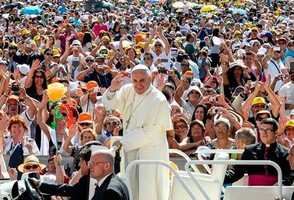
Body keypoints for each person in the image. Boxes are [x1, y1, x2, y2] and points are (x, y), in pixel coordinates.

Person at [102, 64, 173, 200]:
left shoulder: (158, 99)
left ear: (150, 79)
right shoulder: (127, 90)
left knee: (148, 189)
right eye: (135, 81)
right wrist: (112, 88)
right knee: (131, 187)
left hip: (150, 151)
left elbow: (151, 131)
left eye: (142, 81)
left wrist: (124, 141)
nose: (138, 85)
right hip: (131, 148)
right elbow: (110, 104)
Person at [224, 118, 294, 186]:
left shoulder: (285, 152)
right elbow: (237, 172)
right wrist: (221, 176)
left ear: (276, 133)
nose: (264, 133)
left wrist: (278, 186)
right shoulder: (249, 150)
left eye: (268, 130)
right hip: (253, 193)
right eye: (262, 130)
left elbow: (289, 175)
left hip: (276, 193)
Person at [29, 147, 93, 200]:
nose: (79, 164)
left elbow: (68, 189)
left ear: (89, 163)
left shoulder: (88, 180)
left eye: (81, 162)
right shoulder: (85, 179)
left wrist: (39, 185)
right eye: (50, 162)